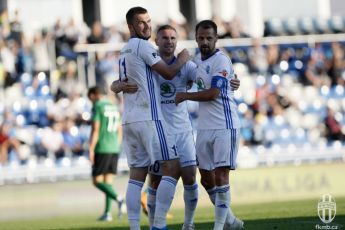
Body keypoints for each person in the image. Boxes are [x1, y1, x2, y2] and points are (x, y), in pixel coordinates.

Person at [112, 24, 241, 230]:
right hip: (158, 128)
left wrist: (232, 80)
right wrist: (117, 85)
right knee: (155, 181)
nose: (169, 42)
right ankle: (156, 223)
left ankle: (188, 224)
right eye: (164, 38)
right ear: (156, 41)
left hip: (182, 130)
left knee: (190, 177)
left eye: (173, 38)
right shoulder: (150, 63)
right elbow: (121, 80)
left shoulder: (188, 66)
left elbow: (206, 78)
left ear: (177, 41)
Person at [116, 7, 190, 230]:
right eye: (141, 23)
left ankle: (134, 227)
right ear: (130, 26)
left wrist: (115, 86)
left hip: (129, 119)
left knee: (136, 176)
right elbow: (169, 73)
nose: (147, 26)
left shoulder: (124, 50)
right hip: (149, 117)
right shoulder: (142, 46)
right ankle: (158, 225)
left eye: (149, 21)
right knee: (173, 167)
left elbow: (119, 83)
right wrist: (184, 58)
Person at [175, 20, 244, 230]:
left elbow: (213, 93)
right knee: (206, 179)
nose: (205, 42)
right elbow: (191, 78)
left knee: (222, 176)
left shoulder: (221, 60)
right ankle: (231, 221)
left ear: (216, 39)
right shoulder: (197, 61)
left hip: (225, 125)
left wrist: (185, 96)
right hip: (204, 128)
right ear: (196, 38)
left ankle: (219, 226)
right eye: (201, 38)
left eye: (209, 38)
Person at [87, 86, 123, 222]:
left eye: (90, 98)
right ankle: (107, 213)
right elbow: (120, 129)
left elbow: (96, 129)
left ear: (94, 95)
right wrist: (117, 145)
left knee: (96, 181)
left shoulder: (98, 106)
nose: (91, 101)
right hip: (114, 147)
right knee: (108, 182)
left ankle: (118, 198)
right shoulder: (113, 106)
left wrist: (91, 148)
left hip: (102, 147)